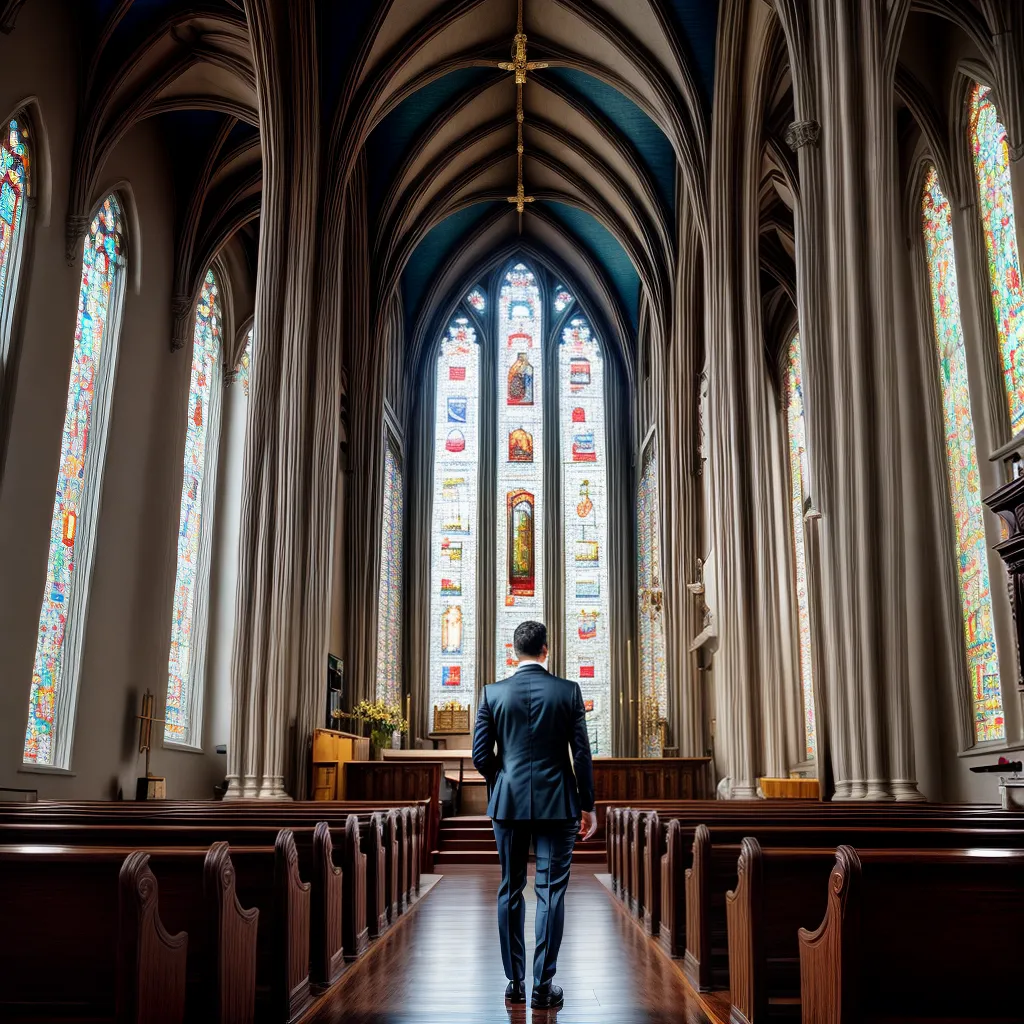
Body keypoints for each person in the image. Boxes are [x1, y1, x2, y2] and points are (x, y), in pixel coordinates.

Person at [472, 620, 596, 1010]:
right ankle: (544, 987)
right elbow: (582, 755)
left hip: (508, 805)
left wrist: (504, 778)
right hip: (559, 803)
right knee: (551, 893)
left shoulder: (493, 693)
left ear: (514, 652)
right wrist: (588, 804)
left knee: (510, 888)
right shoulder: (568, 691)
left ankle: (514, 983)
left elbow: (479, 755)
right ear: (547, 649)